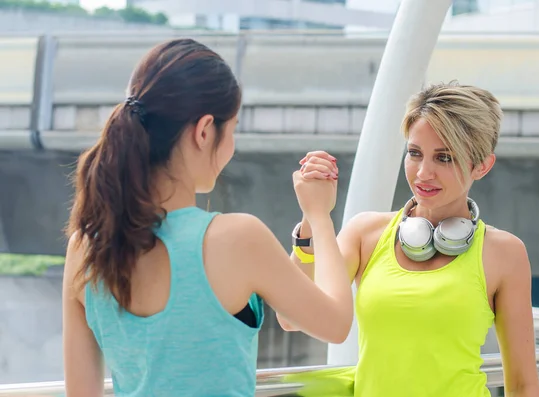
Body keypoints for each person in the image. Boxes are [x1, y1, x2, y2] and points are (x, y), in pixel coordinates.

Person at [61, 38, 353, 397]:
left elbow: (80, 392)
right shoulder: (237, 237)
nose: (231, 144)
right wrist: (320, 216)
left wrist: (306, 234)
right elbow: (336, 324)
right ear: (203, 131)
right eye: (231, 130)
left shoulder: (84, 246)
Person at [278, 82, 539, 397]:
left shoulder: (505, 253)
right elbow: (292, 317)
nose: (423, 173)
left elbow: (523, 384)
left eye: (444, 158)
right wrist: (311, 217)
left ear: (481, 165)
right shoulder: (366, 234)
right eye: (415, 153)